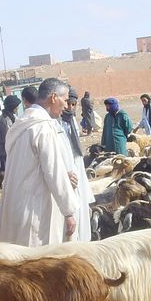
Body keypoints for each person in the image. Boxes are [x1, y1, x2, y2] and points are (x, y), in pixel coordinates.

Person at [0, 78, 80, 246]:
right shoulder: (43, 128)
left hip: (15, 205)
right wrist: (68, 212)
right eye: (64, 100)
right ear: (54, 97)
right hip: (34, 208)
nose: (66, 105)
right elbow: (53, 171)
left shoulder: (21, 125)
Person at [60, 87, 94, 242]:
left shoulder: (72, 120)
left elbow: (78, 161)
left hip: (77, 174)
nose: (70, 108)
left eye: (73, 105)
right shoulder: (56, 123)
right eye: (67, 103)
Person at [0, 94, 21, 183]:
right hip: (7, 156)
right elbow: (8, 140)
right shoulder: (4, 121)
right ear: (12, 107)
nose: (17, 108)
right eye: (16, 106)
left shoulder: (12, 117)